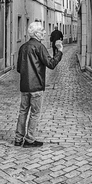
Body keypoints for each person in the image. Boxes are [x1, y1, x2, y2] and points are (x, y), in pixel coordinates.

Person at [14, 20, 63, 148]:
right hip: (36, 86)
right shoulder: (39, 47)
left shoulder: (23, 47)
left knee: (23, 112)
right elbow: (51, 63)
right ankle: (29, 140)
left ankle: (18, 139)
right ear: (36, 33)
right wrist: (59, 51)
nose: (44, 32)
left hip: (25, 86)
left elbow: (19, 68)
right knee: (35, 113)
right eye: (42, 30)